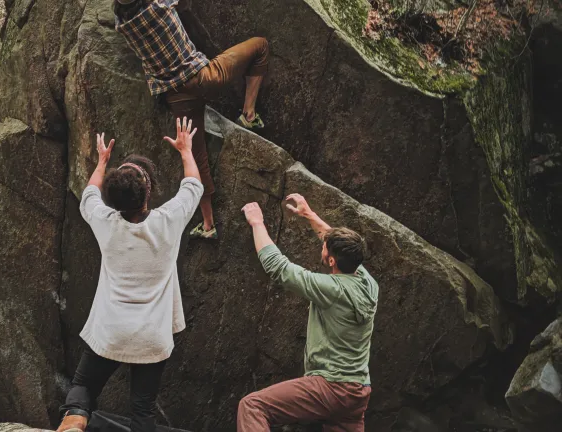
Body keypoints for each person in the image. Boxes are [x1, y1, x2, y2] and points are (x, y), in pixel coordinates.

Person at [57, 117, 204, 432]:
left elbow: (89, 196)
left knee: (82, 387)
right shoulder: (168, 221)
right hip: (152, 336)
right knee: (142, 409)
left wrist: (102, 162)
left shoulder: (105, 222)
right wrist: (186, 150)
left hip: (110, 330)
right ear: (147, 193)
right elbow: (193, 185)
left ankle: (73, 423)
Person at [114, 0, 270, 239]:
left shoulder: (123, 24)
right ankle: (248, 114)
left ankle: (208, 224)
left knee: (197, 159)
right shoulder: (160, 5)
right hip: (204, 77)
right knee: (261, 46)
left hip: (177, 95)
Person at [238, 194, 379, 431]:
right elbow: (337, 242)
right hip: (357, 391)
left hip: (330, 387)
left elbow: (278, 267)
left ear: (331, 260)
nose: (322, 245)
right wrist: (309, 214)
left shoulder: (331, 289)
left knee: (252, 405)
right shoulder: (368, 283)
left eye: (325, 247)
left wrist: (257, 223)